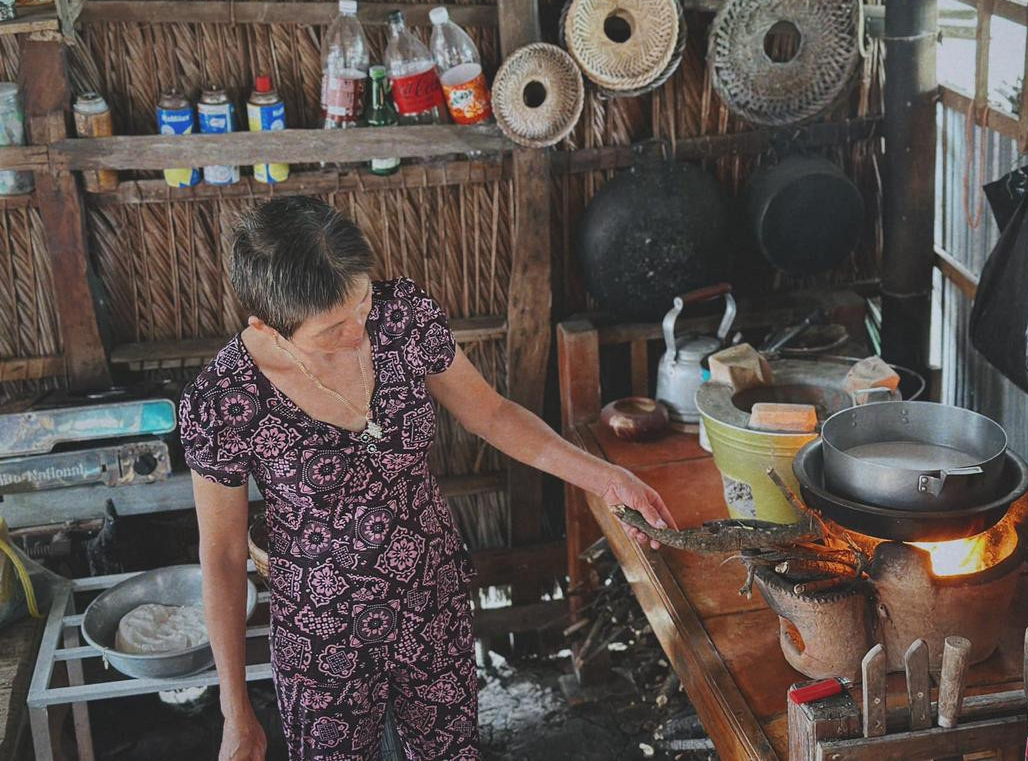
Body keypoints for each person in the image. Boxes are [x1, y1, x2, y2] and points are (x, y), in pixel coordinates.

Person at [182, 196, 677, 760]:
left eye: (362, 302)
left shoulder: (403, 317)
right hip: (323, 636)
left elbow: (492, 414)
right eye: (330, 329)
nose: (357, 331)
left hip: (430, 596)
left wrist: (606, 478)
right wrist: (236, 711)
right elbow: (221, 554)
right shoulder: (224, 400)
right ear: (266, 326)